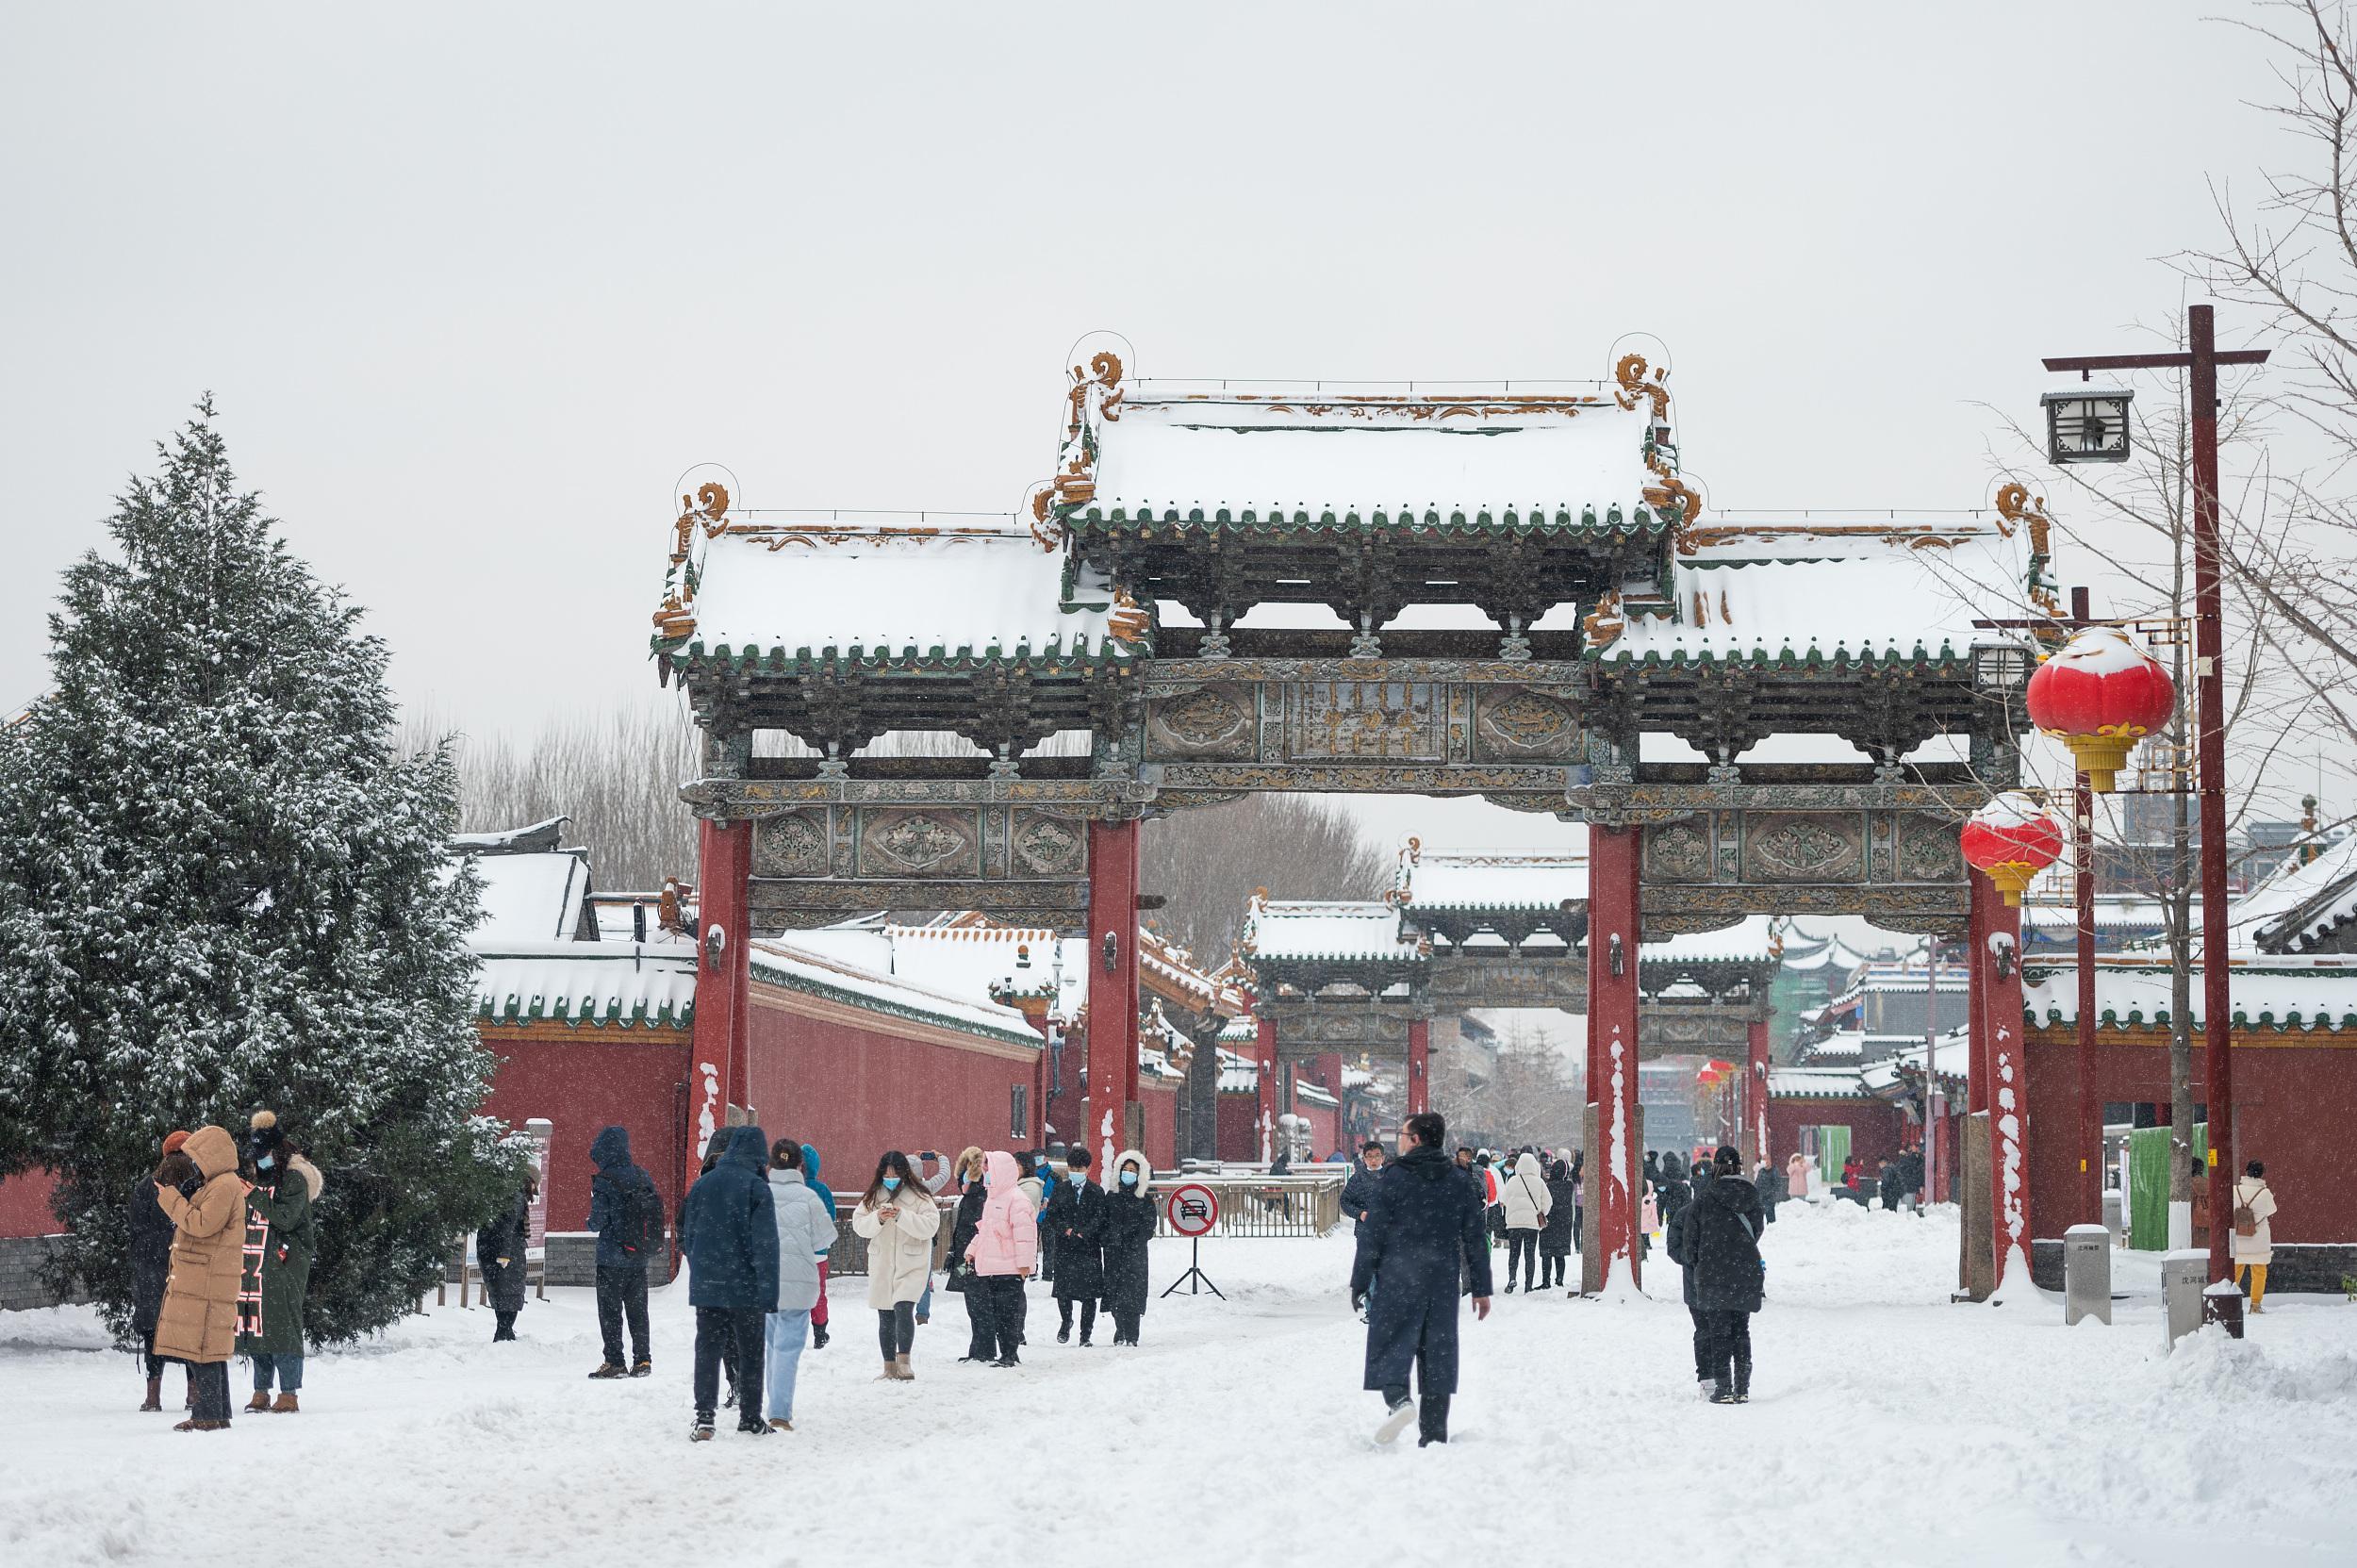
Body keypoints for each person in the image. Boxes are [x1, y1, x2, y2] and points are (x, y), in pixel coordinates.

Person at [1353, 1112, 1491, 1447]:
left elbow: (1373, 1234)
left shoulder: (1394, 1179)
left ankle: (1399, 1400)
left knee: (1390, 1343)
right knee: (1437, 1355)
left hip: (1399, 1276)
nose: (1399, 1139)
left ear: (1415, 1139)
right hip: (1441, 1280)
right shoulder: (1458, 1181)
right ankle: (1433, 1436)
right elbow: (1475, 1236)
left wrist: (1360, 1280)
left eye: (1403, 1134)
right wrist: (1481, 1288)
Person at [680, 1125, 778, 1441]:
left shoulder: (702, 1185)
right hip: (746, 1288)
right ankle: (749, 1418)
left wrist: (701, 1272)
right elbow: (765, 1246)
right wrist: (769, 1293)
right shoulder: (757, 1188)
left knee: (707, 1351)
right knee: (750, 1353)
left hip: (709, 1285)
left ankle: (704, 1418)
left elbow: (689, 1235)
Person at [153, 1124, 245, 1431]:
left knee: (202, 1347)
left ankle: (206, 1416)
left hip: (207, 1277)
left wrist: (171, 1199)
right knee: (210, 1348)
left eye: (197, 1157)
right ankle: (217, 1413)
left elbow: (202, 1224)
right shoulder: (220, 1184)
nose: (194, 1164)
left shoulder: (223, 1186)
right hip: (208, 1276)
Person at [235, 1111, 322, 1413]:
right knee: (256, 1326)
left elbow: (285, 1218)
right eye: (257, 1156)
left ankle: (289, 1393)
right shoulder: (260, 1178)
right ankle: (261, 1391)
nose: (260, 1161)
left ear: (278, 1151)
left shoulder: (295, 1179)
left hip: (284, 1264)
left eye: (265, 1155)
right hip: (254, 1264)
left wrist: (254, 1196)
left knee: (283, 1325)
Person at [1681, 1146, 1766, 1403]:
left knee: (1718, 1331)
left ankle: (1724, 1387)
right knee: (1742, 1330)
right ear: (1739, 1166)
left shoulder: (1705, 1199)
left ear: (1715, 1167)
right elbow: (1758, 1230)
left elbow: (1690, 1240)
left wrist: (1700, 1260)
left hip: (1713, 1272)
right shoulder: (1752, 1196)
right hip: (1745, 1270)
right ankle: (1742, 1387)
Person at [851, 1149, 943, 1379]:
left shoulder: (920, 1197)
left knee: (903, 1309)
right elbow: (859, 1225)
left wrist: (903, 1217)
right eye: (886, 1174)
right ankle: (888, 1367)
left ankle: (905, 1362)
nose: (890, 1178)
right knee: (885, 1315)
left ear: (904, 1174)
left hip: (910, 1264)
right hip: (882, 1263)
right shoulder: (873, 1197)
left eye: (895, 1173)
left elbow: (930, 1226)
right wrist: (878, 1218)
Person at [763, 1138, 833, 1430]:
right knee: (788, 1348)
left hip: (764, 1282)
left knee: (769, 1344)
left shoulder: (759, 1195)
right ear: (799, 1166)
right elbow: (825, 1240)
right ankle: (779, 1412)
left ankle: (772, 1402)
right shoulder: (809, 1198)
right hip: (799, 1282)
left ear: (771, 1165)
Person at [585, 1125, 660, 1378]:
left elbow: (597, 1221)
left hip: (610, 1258)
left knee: (610, 1312)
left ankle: (615, 1361)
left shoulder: (605, 1182)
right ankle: (642, 1360)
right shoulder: (643, 1176)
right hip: (638, 1256)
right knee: (638, 1312)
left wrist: (589, 1222)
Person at [131, 1131, 189, 1412]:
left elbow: (135, 1228)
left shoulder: (145, 1186)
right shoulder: (195, 1185)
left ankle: (153, 1397)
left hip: (151, 1268)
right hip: (184, 1264)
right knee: (190, 1332)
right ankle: (196, 1394)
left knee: (154, 1333)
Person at [967, 1149, 1039, 1366]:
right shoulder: (992, 1199)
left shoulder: (1017, 1199)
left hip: (1009, 1268)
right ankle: (1006, 1352)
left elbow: (1025, 1235)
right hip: (991, 1267)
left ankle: (1009, 1353)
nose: (986, 1172)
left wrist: (1026, 1264)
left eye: (990, 1168)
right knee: (999, 1313)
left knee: (1009, 1314)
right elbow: (986, 1230)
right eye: (985, 1168)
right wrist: (972, 1250)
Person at [1046, 1146, 1106, 1345]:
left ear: (1088, 1169)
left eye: (1080, 1169)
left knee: (1089, 1295)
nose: (1076, 1172)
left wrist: (1085, 1232)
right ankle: (1066, 1321)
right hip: (1065, 1246)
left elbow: (1100, 1218)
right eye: (1072, 1168)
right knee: (1063, 1291)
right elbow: (1052, 1216)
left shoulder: (1097, 1192)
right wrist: (1067, 1230)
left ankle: (1085, 1335)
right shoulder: (1060, 1189)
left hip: (1088, 1248)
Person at [941, 1148, 992, 1362]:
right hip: (965, 1257)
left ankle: (984, 1349)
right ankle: (977, 1348)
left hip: (976, 1258)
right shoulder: (969, 1197)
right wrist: (954, 1253)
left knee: (980, 1305)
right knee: (972, 1303)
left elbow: (977, 1230)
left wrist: (965, 1254)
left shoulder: (980, 1196)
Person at [1099, 1149, 1155, 1345]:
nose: (1129, 1173)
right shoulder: (1111, 1197)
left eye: (1133, 1170)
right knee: (1115, 1293)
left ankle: (1132, 1334)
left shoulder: (1145, 1200)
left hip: (1135, 1254)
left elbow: (1149, 1226)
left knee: (1133, 1295)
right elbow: (1103, 1222)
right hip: (1114, 1252)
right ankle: (1119, 1329)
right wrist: (1108, 1239)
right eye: (1126, 1169)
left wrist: (1134, 1242)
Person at [477, 1166, 534, 1344]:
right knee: (509, 1292)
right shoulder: (516, 1197)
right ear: (528, 1181)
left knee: (503, 1292)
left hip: (494, 1249)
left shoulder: (506, 1193)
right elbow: (507, 1227)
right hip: (508, 1253)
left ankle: (505, 1331)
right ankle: (504, 1332)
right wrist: (505, 1254)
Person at [799, 1142, 837, 1349]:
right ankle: (820, 1333)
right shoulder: (822, 1190)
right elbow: (830, 1217)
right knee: (818, 1293)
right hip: (818, 1254)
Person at [1500, 1144, 1550, 1294]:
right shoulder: (1539, 1182)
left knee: (1514, 1253)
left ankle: (1511, 1279)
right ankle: (1528, 1286)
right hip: (1531, 1224)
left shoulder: (1512, 1181)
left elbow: (1504, 1199)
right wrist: (1541, 1212)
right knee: (1530, 1255)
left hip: (1514, 1224)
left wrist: (1513, 1209)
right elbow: (1548, 1201)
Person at [2231, 1160, 2278, 1312]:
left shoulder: (2235, 1190)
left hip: (2238, 1237)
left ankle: (2230, 1301)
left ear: (2246, 1172)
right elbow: (2272, 1210)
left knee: (2235, 1271)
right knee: (2259, 1271)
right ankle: (2255, 1305)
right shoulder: (2265, 1193)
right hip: (2258, 1238)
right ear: (2262, 1174)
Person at [1539, 1154, 1578, 1290]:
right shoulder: (1568, 1186)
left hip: (1549, 1222)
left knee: (1547, 1254)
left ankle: (1546, 1281)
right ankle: (1559, 1280)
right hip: (1564, 1223)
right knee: (1560, 1254)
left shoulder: (1547, 1186)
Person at [1341, 1141, 1386, 1236]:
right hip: (1364, 1232)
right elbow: (1344, 1201)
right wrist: (1359, 1214)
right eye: (1369, 1156)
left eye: (1377, 1156)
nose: (1373, 1160)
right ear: (1364, 1159)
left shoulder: (1391, 1177)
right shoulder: (1357, 1178)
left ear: (1383, 1158)